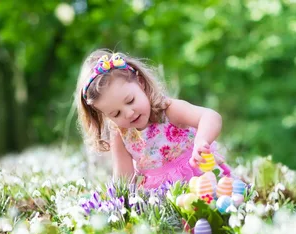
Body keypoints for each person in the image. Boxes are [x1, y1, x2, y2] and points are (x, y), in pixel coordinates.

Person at [75, 49, 230, 189]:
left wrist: (201, 141)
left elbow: (210, 116)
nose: (128, 113)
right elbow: (123, 178)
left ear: (140, 83)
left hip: (202, 178)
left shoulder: (168, 110)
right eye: (116, 114)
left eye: (130, 101)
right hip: (165, 195)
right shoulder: (120, 134)